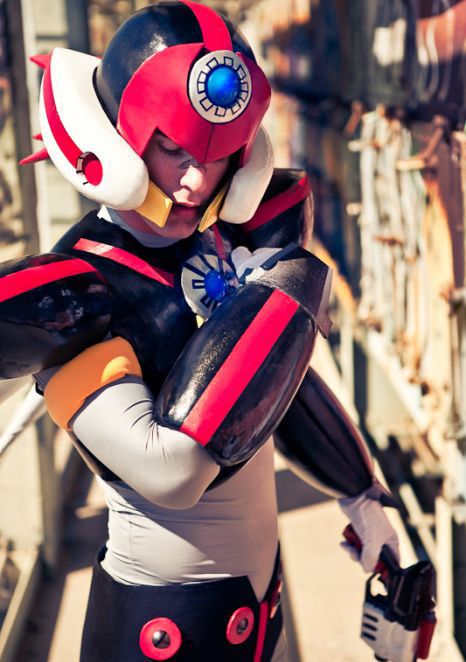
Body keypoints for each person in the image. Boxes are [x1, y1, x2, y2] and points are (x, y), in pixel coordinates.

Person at [0, 2, 400, 660]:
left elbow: (279, 387)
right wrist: (284, 293)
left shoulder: (224, 237)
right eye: (171, 149)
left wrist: (360, 494)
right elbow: (171, 470)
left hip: (254, 611)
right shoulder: (81, 289)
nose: (194, 182)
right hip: (157, 627)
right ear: (119, 137)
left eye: (217, 157)